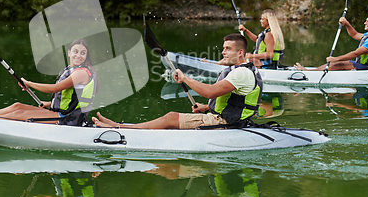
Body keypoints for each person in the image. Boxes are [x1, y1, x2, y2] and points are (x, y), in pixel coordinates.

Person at [92, 33, 262, 129]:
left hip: (225, 123)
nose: (223, 52)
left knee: (170, 117)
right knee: (170, 119)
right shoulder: (239, 70)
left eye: (228, 49)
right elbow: (232, 100)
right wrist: (206, 107)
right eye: (223, 48)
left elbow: (210, 91)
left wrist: (185, 78)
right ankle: (124, 125)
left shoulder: (241, 73)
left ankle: (118, 128)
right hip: (226, 118)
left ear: (240, 53)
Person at [0, 39, 97, 126]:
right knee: (17, 106)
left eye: (83, 53)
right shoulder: (71, 70)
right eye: (75, 51)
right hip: (62, 113)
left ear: (86, 56)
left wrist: (29, 83)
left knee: (18, 114)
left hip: (67, 118)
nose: (78, 55)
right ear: (69, 53)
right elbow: (70, 98)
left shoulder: (81, 73)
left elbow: (55, 89)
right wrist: (49, 104)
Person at [295, 13, 368, 71]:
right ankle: (311, 71)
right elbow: (354, 34)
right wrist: (346, 23)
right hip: (363, 65)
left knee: (339, 63)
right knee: (333, 63)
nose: (365, 23)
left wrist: (336, 58)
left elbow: (355, 54)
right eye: (366, 21)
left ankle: (309, 73)